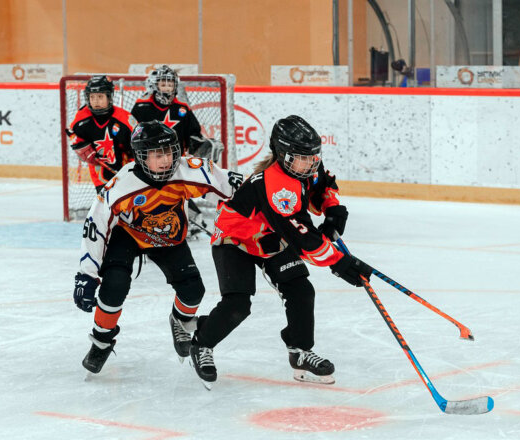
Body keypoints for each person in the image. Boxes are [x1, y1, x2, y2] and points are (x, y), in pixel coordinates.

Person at [187, 115, 373, 389]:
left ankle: (300, 352)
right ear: (283, 155)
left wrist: (332, 210)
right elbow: (303, 240)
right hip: (235, 240)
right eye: (303, 158)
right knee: (237, 305)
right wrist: (340, 263)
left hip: (270, 238)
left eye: (313, 156)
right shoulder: (276, 186)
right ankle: (201, 343)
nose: (310, 163)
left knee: (301, 290)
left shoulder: (305, 165)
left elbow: (323, 184)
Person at [72, 120, 243, 375]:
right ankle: (101, 340)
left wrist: (262, 199)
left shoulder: (188, 170)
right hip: (128, 235)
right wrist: (87, 274)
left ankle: (180, 321)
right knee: (114, 286)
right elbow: (95, 225)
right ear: (141, 157)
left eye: (170, 152)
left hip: (167, 234)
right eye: (157, 154)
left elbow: (231, 185)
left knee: (193, 291)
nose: (166, 160)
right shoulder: (122, 184)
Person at [131, 65, 219, 236]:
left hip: (174, 159)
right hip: (149, 159)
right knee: (150, 190)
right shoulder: (142, 107)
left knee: (174, 189)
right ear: (155, 85)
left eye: (170, 84)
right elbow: (132, 133)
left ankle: (190, 219)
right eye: (163, 84)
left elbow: (194, 134)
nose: (167, 88)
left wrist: (201, 146)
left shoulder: (182, 109)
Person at [67, 75, 136, 193]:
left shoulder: (125, 119)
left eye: (100, 96)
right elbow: (72, 133)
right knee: (106, 202)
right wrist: (79, 146)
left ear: (109, 97)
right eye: (92, 97)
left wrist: (133, 167)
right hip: (99, 176)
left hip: (126, 173)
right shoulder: (82, 119)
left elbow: (138, 146)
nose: (96, 101)